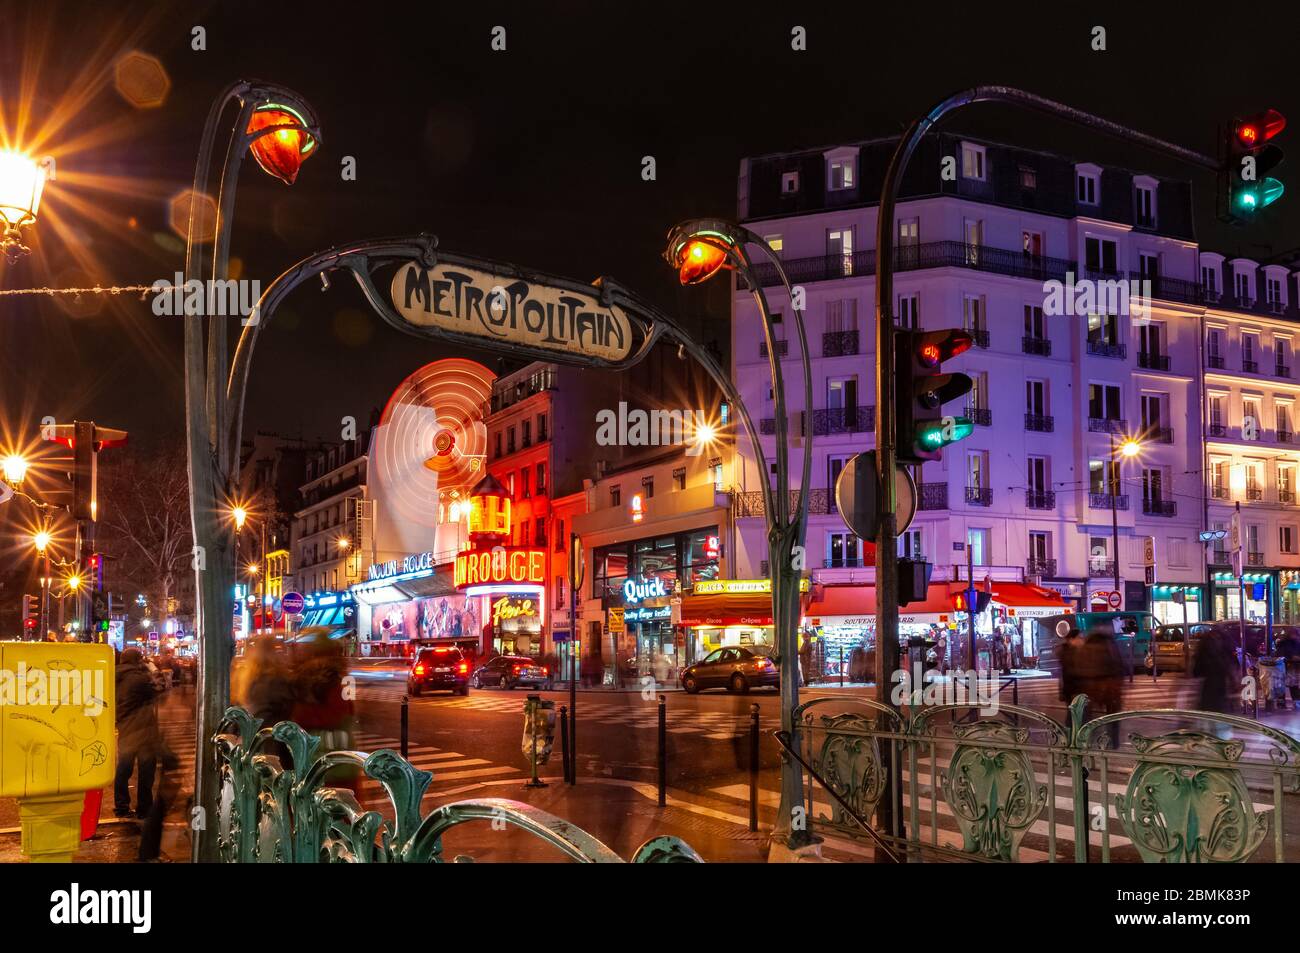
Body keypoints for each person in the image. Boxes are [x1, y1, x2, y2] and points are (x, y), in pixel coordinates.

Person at [114, 648, 161, 819]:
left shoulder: (114, 677)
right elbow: (160, 688)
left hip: (125, 728)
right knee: (146, 772)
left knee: (123, 770)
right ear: (137, 661)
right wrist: (152, 667)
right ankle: (144, 808)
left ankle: (121, 806)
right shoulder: (138, 679)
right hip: (143, 732)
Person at [1078, 625, 1126, 747]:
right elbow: (1119, 665)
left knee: (1089, 717)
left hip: (1092, 688)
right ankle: (1113, 742)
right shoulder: (1111, 645)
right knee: (1112, 717)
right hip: (1110, 688)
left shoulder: (1087, 647)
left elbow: (1081, 667)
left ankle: (1087, 740)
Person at [1058, 627, 1085, 707]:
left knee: (1074, 716)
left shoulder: (1074, 652)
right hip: (1074, 691)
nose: (1082, 640)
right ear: (1072, 639)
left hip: (1075, 691)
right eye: (1080, 638)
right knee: (1076, 716)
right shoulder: (1070, 654)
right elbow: (1073, 673)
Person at [1277, 628, 1300, 710]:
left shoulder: (1292, 643)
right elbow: (1282, 654)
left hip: (1289, 666)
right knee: (1290, 685)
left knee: (1289, 685)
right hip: (1287, 666)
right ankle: (1291, 703)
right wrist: (1292, 657)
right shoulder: (1286, 643)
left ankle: (1283, 703)